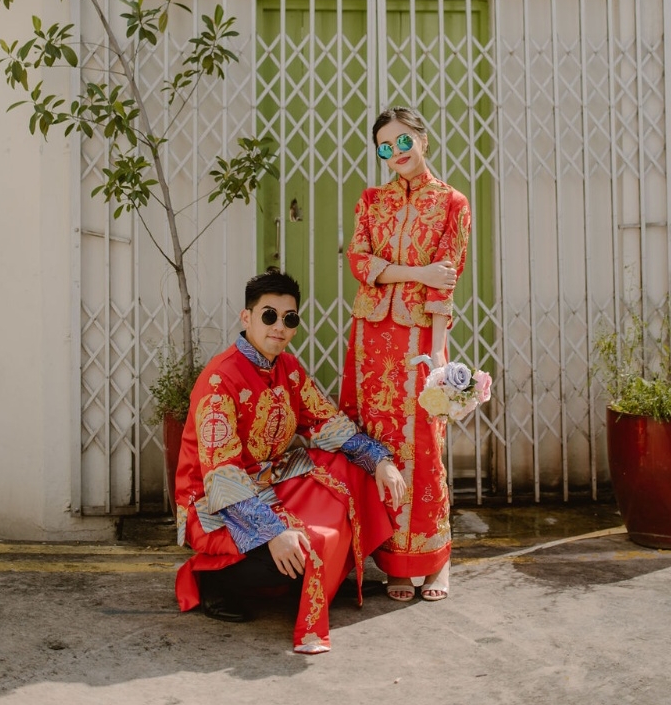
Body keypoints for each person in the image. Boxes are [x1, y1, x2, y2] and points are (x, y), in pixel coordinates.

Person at [174, 268, 405, 655]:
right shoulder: (220, 381)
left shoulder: (289, 369)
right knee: (286, 559)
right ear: (246, 318)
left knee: (352, 467)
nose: (279, 327)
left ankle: (320, 561)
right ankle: (210, 580)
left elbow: (327, 423)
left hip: (269, 479)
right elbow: (223, 478)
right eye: (269, 315)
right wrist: (273, 533)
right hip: (213, 501)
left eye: (289, 318)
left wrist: (381, 461)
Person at [338, 106, 471, 603]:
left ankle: (437, 560)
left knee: (424, 445)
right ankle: (395, 561)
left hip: (419, 339)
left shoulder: (453, 203)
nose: (395, 154)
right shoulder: (371, 201)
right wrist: (416, 274)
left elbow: (447, 281)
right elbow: (359, 261)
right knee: (380, 444)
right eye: (385, 148)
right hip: (372, 338)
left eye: (403, 143)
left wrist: (437, 353)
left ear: (423, 139)